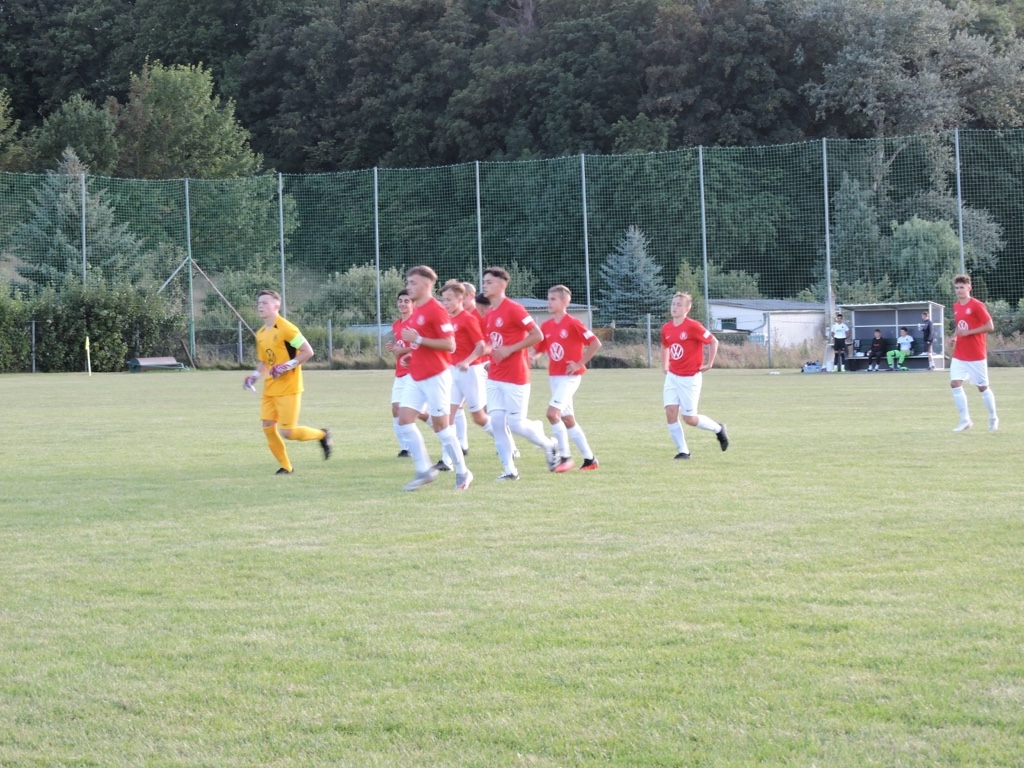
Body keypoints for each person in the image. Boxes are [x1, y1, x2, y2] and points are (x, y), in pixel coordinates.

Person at [397, 266, 473, 490]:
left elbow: (450, 344)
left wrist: (418, 340)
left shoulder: (436, 310)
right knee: (404, 420)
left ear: (426, 285)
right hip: (416, 375)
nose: (409, 287)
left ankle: (463, 471)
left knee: (442, 428)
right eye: (408, 282)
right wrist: (412, 355)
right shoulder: (417, 310)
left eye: (413, 283)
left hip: (436, 376)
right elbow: (423, 343)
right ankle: (424, 470)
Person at [481, 266, 560, 480]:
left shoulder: (514, 309)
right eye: (484, 281)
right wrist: (489, 357)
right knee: (497, 423)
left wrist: (510, 349)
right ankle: (510, 471)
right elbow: (495, 342)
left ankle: (549, 444)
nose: (484, 285)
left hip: (515, 375)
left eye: (489, 282)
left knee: (516, 424)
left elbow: (537, 335)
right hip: (495, 376)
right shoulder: (490, 313)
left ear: (502, 285)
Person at [244, 289, 332, 474]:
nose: (260, 306)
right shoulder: (261, 333)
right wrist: (254, 376)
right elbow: (264, 362)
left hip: (289, 387)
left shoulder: (287, 328)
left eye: (265, 303)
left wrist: (285, 366)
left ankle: (322, 435)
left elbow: (308, 351)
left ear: (277, 306)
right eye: (259, 303)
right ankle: (286, 467)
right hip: (270, 388)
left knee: (288, 432)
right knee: (268, 426)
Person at [531, 285, 602, 471]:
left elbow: (595, 343)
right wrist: (532, 357)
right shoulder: (546, 326)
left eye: (553, 299)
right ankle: (590, 459)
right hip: (554, 377)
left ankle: (565, 457)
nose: (549, 302)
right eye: (548, 299)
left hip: (570, 377)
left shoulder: (573, 323)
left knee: (552, 414)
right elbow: (540, 348)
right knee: (568, 419)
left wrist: (579, 363)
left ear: (564, 302)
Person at [661, 292, 729, 459]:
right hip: (672, 376)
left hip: (690, 378)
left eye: (679, 305)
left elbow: (713, 341)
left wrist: (710, 363)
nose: (675, 307)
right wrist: (665, 365)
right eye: (673, 304)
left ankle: (718, 429)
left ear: (687, 308)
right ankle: (683, 452)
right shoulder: (666, 328)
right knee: (670, 412)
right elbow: (665, 346)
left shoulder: (693, 326)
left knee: (689, 419)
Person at [440, 280, 493, 460]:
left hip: (471, 371)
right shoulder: (448, 319)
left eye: (448, 300)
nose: (445, 303)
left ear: (460, 299)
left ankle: (508, 443)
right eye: (444, 300)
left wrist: (467, 361)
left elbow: (481, 346)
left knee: (480, 417)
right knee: (448, 416)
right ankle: (447, 460)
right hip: (453, 371)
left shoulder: (469, 319)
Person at [949, 273, 999, 432]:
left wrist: (969, 333)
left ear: (969, 288)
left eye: (962, 287)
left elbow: (990, 326)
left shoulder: (977, 305)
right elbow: (960, 326)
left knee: (982, 387)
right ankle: (965, 420)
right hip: (960, 354)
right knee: (955, 383)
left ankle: (993, 417)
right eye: (957, 288)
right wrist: (954, 337)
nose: (959, 290)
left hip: (976, 354)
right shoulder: (956, 306)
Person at [384, 289, 427, 458]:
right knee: (396, 408)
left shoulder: (416, 323)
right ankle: (405, 448)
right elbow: (401, 347)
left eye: (406, 301)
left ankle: (444, 429)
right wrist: (395, 348)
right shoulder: (396, 324)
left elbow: (422, 346)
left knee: (417, 412)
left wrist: (403, 350)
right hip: (400, 372)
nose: (402, 304)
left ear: (413, 304)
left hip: (415, 371)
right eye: (400, 301)